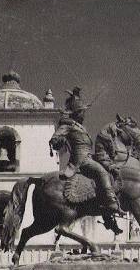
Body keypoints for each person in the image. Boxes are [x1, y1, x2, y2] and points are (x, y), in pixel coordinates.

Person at [49, 87, 124, 218]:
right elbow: (55, 138)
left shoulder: (81, 128)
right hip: (81, 160)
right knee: (102, 171)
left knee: (111, 169)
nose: (84, 114)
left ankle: (106, 214)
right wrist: (57, 141)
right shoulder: (68, 125)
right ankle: (110, 201)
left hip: (89, 157)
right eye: (82, 112)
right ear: (77, 113)